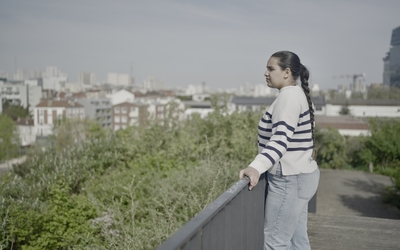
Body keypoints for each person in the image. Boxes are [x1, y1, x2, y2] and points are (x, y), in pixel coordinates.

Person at [239, 51, 320, 250]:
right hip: (302, 177)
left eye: (270, 68)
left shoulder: (289, 97)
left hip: (289, 181)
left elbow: (280, 140)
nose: (265, 73)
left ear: (286, 72)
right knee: (296, 240)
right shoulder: (296, 94)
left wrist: (256, 167)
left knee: (275, 242)